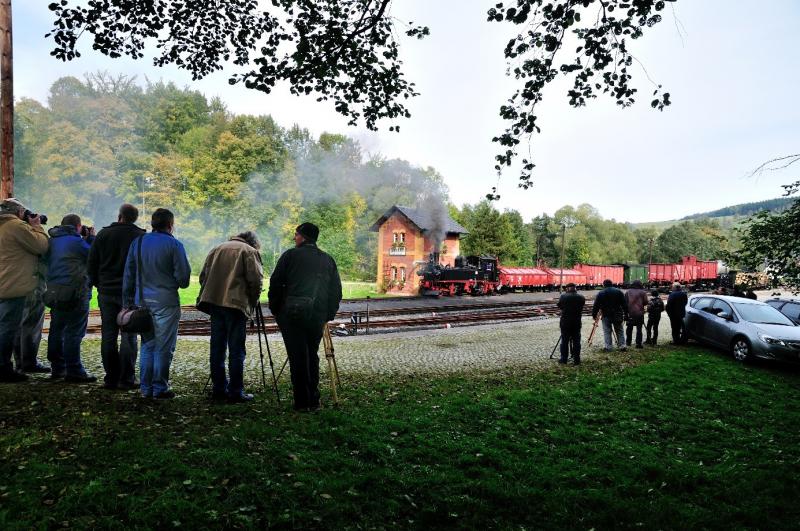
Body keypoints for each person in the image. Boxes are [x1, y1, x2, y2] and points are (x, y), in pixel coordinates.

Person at [268, 222, 342, 412]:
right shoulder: (327, 260)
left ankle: (302, 401)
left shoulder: (290, 256)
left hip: (291, 314)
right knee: (311, 354)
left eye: (296, 234)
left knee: (298, 356)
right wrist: (327, 314)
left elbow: (275, 284)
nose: (294, 238)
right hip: (316, 315)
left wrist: (277, 311)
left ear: (303, 237)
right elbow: (336, 291)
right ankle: (313, 399)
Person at [122, 208, 191, 399]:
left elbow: (128, 274)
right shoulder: (175, 245)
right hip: (166, 302)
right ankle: (160, 387)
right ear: (170, 224)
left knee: (147, 345)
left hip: (141, 302)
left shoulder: (138, 242)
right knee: (164, 347)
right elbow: (184, 280)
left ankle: (145, 388)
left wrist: (127, 301)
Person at [197, 231, 264, 403]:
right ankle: (236, 391)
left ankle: (218, 389)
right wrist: (253, 300)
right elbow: (255, 281)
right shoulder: (249, 251)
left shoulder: (216, 248)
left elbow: (202, 276)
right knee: (236, 351)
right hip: (236, 305)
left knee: (217, 349)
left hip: (214, 303)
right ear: (253, 242)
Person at [88, 204, 146, 390]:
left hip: (106, 291)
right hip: (130, 293)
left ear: (119, 215)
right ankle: (127, 378)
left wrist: (99, 284)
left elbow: (92, 264)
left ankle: (111, 377)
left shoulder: (103, 235)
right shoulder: (140, 236)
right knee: (129, 334)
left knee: (109, 334)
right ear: (134, 218)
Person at [0, 199, 49, 382]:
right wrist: (37, 227)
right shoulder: (16, 226)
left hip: (4, 282)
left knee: (6, 326)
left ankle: (13, 363)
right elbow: (41, 246)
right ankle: (4, 368)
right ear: (19, 212)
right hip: (16, 285)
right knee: (8, 328)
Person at [46, 214, 96, 383]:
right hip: (76, 291)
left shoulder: (52, 240)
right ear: (78, 226)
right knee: (74, 332)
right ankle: (74, 370)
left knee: (56, 329)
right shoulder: (77, 242)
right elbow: (92, 257)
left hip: (54, 290)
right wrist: (91, 238)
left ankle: (57, 368)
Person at [12, 257, 49, 373]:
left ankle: (19, 361)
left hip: (16, 285)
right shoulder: (32, 240)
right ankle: (28, 362)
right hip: (33, 286)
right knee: (32, 326)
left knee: (18, 326)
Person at [592, 279, 627, 352]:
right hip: (617, 314)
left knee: (607, 331)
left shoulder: (601, 293)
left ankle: (608, 347)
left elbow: (596, 305)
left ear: (604, 285)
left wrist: (594, 315)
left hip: (606, 315)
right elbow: (624, 304)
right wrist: (626, 313)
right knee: (619, 330)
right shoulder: (619, 291)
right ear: (612, 284)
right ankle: (622, 345)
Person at [557, 282, 585, 364]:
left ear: (567, 288)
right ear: (575, 288)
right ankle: (577, 359)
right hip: (576, 322)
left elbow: (560, 306)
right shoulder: (581, 297)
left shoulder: (563, 296)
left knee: (564, 341)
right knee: (576, 341)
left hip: (565, 322)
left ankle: (563, 359)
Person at [624, 279, 649, 349]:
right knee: (639, 329)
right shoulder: (643, 292)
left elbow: (625, 302)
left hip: (630, 313)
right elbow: (646, 302)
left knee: (629, 328)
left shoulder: (628, 292)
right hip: (639, 313)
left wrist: (626, 313)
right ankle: (638, 344)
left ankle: (628, 342)